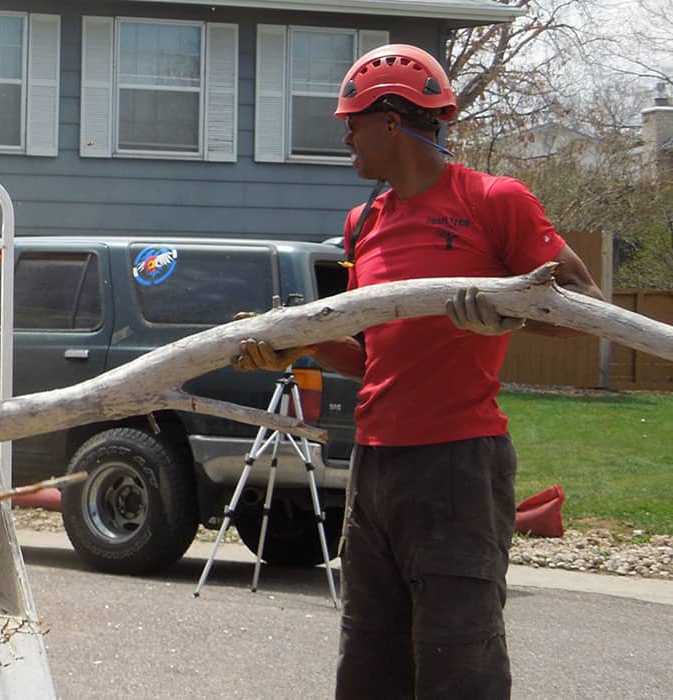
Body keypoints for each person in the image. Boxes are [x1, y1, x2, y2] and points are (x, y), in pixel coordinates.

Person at [231, 44, 603, 699]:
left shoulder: (495, 202)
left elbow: (589, 308)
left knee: (459, 668)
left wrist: (508, 315)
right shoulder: (365, 224)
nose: (345, 134)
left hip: (459, 467)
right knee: (369, 670)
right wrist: (301, 349)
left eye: (354, 120)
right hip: (375, 470)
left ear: (394, 120)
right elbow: (376, 360)